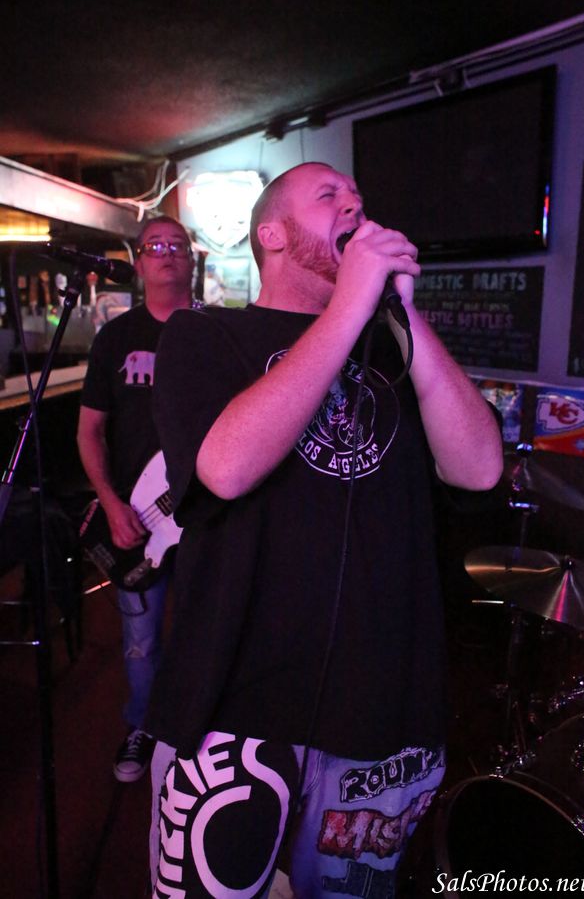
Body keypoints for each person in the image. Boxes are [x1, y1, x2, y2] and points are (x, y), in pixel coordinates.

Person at [148, 163, 503, 896]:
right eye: (328, 195)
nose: (355, 205)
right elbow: (225, 469)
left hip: (383, 713)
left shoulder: (393, 346)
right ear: (271, 235)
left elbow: (478, 468)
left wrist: (400, 313)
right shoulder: (204, 334)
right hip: (242, 708)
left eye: (358, 198)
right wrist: (350, 306)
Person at [77, 215, 194, 782]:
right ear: (140, 263)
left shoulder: (218, 332)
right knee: (141, 642)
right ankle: (144, 724)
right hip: (137, 519)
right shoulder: (115, 339)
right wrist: (110, 501)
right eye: (154, 246)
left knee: (206, 629)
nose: (166, 252)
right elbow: (88, 432)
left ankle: (197, 731)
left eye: (177, 244)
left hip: (207, 515)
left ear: (192, 260)